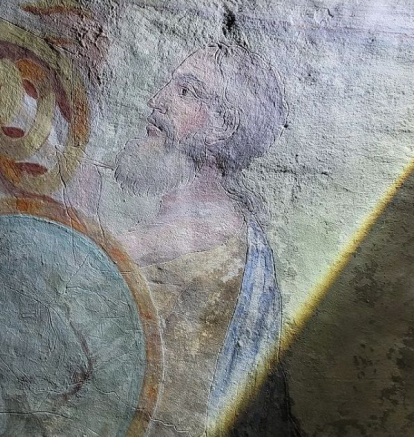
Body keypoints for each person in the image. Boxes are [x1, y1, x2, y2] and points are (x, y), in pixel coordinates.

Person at [115, 44, 299, 436]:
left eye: (185, 91)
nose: (155, 101)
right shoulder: (229, 227)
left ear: (222, 126)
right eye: (169, 85)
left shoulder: (189, 239)